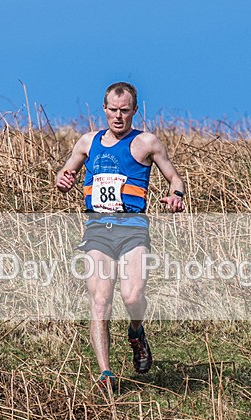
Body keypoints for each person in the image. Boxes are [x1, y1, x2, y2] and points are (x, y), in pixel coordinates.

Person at [55, 82, 186, 390]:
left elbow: (175, 177)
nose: (118, 116)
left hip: (133, 231)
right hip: (98, 231)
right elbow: (65, 173)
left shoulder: (146, 142)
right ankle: (106, 374)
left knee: (132, 296)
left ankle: (136, 332)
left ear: (134, 111)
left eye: (124, 111)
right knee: (100, 301)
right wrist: (63, 179)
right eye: (113, 110)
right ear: (104, 110)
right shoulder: (88, 142)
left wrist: (176, 195)